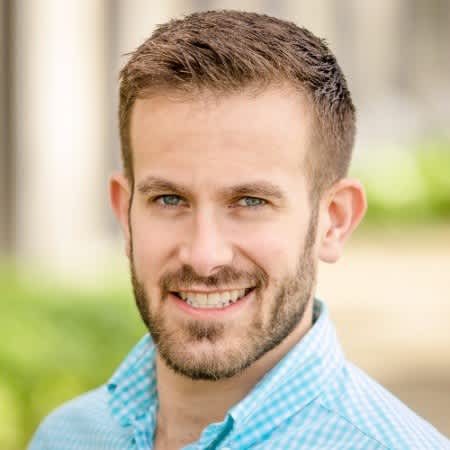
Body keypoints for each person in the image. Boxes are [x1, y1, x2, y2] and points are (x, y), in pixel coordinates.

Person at [28, 10, 449, 450]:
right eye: (169, 199)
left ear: (334, 220)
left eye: (250, 201)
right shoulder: (65, 437)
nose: (203, 255)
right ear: (124, 212)